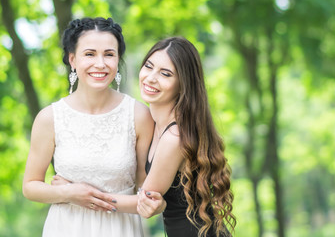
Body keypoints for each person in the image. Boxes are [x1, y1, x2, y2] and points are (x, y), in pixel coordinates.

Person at [22, 17, 154, 237]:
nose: (100, 64)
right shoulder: (49, 118)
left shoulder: (139, 115)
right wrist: (69, 193)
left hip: (120, 229)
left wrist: (90, 197)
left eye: (109, 54)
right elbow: (30, 186)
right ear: (72, 59)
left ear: (118, 58)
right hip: (65, 228)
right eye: (90, 54)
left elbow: (146, 195)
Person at [136, 37, 236, 237]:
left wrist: (76, 195)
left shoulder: (175, 136)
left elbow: (144, 202)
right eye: (149, 66)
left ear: (183, 84)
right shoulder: (152, 124)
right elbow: (140, 181)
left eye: (166, 74)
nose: (151, 78)